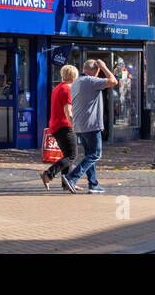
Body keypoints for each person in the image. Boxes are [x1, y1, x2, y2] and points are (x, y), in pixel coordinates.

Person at [64, 58, 117, 194]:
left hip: (80, 125)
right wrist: (104, 67)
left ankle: (93, 184)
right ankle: (71, 178)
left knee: (89, 154)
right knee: (95, 154)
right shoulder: (90, 81)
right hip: (91, 125)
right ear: (95, 70)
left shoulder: (77, 82)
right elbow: (113, 81)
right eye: (98, 70)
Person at [41, 64, 79, 192]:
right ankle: (48, 174)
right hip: (64, 125)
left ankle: (66, 184)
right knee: (72, 155)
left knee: (67, 155)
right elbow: (68, 111)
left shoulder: (57, 88)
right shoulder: (66, 89)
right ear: (73, 76)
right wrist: (74, 126)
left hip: (56, 125)